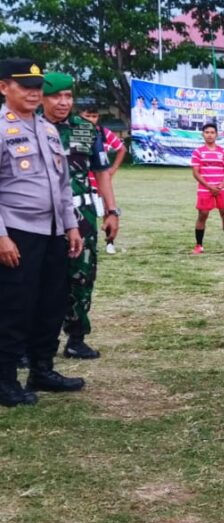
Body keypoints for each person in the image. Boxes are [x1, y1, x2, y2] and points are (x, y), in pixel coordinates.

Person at [0, 59, 86, 407]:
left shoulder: (48, 129)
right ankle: (5, 381)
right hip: (17, 233)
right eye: (26, 87)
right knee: (14, 308)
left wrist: (71, 224)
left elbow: (62, 185)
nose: (35, 94)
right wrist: (1, 236)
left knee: (50, 304)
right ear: (4, 87)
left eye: (38, 87)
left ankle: (42, 369)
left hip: (53, 233)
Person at [41, 73, 121, 360]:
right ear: (41, 97)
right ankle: (28, 343)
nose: (63, 102)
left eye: (68, 96)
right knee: (38, 280)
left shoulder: (87, 130)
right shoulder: (30, 127)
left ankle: (76, 338)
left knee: (83, 276)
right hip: (43, 217)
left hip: (83, 213)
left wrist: (111, 211)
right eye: (56, 96)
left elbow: (101, 173)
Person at [78, 106, 125, 255]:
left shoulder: (103, 133)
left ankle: (109, 243)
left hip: (101, 180)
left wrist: (114, 168)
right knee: (84, 212)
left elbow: (121, 149)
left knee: (107, 210)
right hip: (82, 181)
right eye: (88, 116)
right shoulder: (74, 133)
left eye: (94, 116)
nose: (91, 119)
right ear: (80, 116)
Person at [190, 123, 224, 254]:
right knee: (202, 215)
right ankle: (199, 245)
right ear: (203, 134)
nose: (209, 135)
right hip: (205, 189)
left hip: (222, 188)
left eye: (212, 132)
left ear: (216, 134)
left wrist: (221, 186)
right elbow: (196, 172)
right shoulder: (198, 152)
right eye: (207, 132)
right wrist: (209, 186)